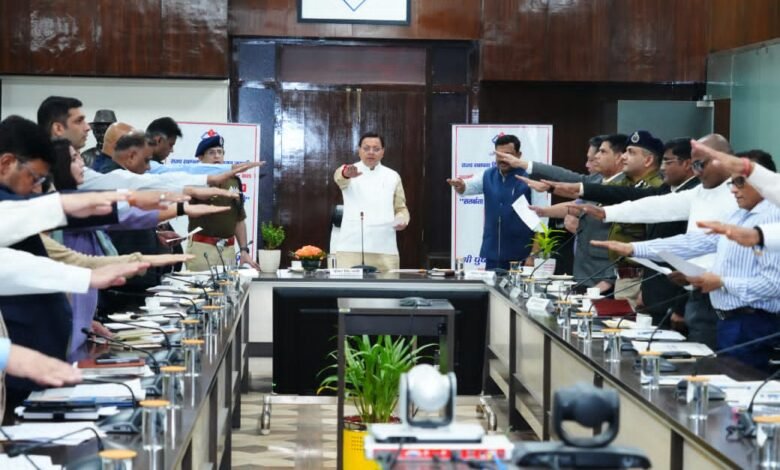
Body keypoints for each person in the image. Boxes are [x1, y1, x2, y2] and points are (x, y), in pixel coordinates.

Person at [592, 152, 780, 371]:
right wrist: (634, 248)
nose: (733, 190)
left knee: (740, 384)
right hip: (728, 320)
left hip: (753, 322)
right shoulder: (739, 215)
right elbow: (696, 242)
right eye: (731, 183)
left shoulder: (771, 220)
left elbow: (773, 285)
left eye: (739, 182)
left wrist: (721, 282)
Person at [575, 134, 735, 348]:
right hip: (699, 295)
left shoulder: (740, 197)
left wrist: (634, 248)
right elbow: (659, 207)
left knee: (722, 362)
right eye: (694, 165)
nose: (697, 171)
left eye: (700, 164)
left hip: (730, 302)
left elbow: (697, 242)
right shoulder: (701, 191)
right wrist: (608, 213)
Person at [517, 134, 628, 291]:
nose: (596, 157)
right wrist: (544, 211)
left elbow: (625, 238)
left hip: (604, 277)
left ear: (618, 157)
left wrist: (609, 279)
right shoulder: (597, 181)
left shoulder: (624, 187)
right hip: (584, 273)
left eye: (602, 152)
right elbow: (574, 201)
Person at [447, 134, 534, 271]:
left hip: (522, 254)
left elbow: (542, 220)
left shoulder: (531, 177)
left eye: (507, 154)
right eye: (499, 155)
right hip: (493, 253)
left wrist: (533, 255)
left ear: (519, 155)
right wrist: (460, 185)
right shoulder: (487, 175)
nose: (502, 159)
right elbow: (467, 187)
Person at [334, 132, 409, 272]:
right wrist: (346, 174)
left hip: (385, 247)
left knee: (386, 285)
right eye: (366, 148)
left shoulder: (392, 176)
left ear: (383, 152)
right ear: (359, 150)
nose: (371, 152)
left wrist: (401, 219)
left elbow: (400, 208)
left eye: (376, 149)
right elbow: (340, 177)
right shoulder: (349, 171)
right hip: (351, 246)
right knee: (348, 286)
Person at [187, 131, 260, 271]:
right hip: (202, 248)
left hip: (228, 250)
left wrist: (244, 250)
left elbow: (239, 219)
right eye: (211, 152)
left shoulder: (234, 181)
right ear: (201, 158)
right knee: (200, 285)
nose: (217, 156)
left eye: (220, 152)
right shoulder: (195, 180)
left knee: (229, 285)